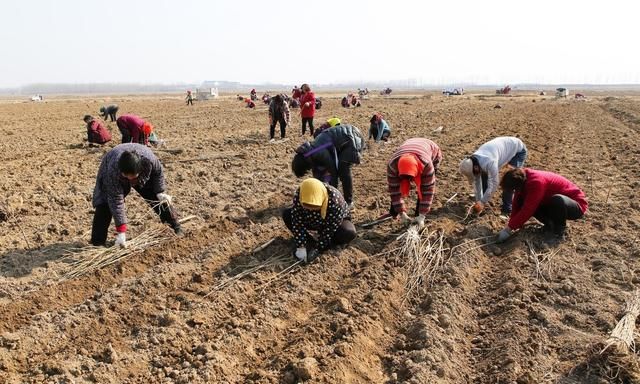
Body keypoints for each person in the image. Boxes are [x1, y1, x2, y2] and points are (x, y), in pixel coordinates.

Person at [90, 143, 182, 247]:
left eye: (133, 176)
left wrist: (160, 192)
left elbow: (158, 172)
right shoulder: (113, 171)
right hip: (111, 165)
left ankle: (175, 227)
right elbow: (116, 201)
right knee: (105, 203)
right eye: (126, 176)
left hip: (141, 173)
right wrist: (121, 231)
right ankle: (97, 242)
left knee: (156, 197)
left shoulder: (149, 161)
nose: (130, 179)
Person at [495, 168, 588, 243]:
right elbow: (516, 203)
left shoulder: (536, 182)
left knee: (557, 200)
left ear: (518, 185)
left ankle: (558, 233)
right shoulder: (522, 178)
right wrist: (509, 227)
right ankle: (550, 225)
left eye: (514, 190)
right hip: (552, 205)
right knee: (528, 201)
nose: (515, 192)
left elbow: (528, 209)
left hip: (576, 205)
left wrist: (509, 229)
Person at [282, 178, 356, 263]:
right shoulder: (300, 195)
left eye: (315, 207)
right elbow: (297, 221)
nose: (311, 210)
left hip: (332, 223)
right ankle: (308, 241)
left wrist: (318, 248)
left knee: (348, 232)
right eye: (307, 207)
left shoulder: (335, 200)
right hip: (311, 220)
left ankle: (329, 244)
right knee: (287, 214)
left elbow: (330, 229)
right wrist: (301, 246)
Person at [291, 124, 364, 210]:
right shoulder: (309, 154)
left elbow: (333, 172)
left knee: (343, 169)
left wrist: (332, 195)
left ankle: (349, 202)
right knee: (326, 172)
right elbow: (317, 176)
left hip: (351, 138)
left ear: (304, 166)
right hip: (344, 138)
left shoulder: (318, 152)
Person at [459, 137, 527, 215]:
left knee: (510, 179)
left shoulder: (489, 162)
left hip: (518, 150)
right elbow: (477, 181)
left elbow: (494, 183)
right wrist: (479, 201)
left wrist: (482, 202)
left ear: (475, 167)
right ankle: (484, 201)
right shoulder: (474, 162)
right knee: (484, 176)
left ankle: (507, 208)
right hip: (502, 148)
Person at [387, 138, 442, 228]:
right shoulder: (392, 166)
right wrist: (402, 214)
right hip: (410, 146)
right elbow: (394, 190)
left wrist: (422, 216)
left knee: (423, 188)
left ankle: (418, 215)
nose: (410, 181)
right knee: (397, 187)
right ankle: (395, 212)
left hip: (432, 150)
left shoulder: (427, 166)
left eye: (410, 178)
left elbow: (428, 191)